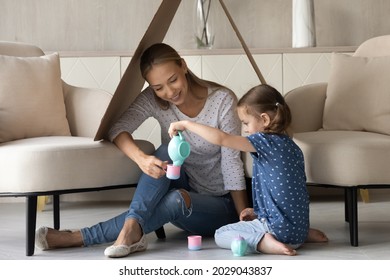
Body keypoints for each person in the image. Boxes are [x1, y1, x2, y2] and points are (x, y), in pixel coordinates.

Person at [35, 43, 249, 258]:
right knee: (165, 151)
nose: (169, 92)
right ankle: (131, 228)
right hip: (183, 184)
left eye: (173, 80)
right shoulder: (154, 99)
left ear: (183, 66)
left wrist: (243, 219)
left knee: (176, 199)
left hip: (219, 205)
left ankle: (80, 237)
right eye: (158, 87)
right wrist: (142, 159)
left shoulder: (222, 100)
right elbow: (118, 128)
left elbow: (232, 163)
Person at [168, 84, 327, 256]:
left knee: (221, 234)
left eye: (246, 123)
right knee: (278, 220)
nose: (245, 129)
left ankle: (263, 242)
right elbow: (286, 194)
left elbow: (222, 138)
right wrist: (258, 212)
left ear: (265, 120)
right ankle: (302, 234)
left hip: (277, 231)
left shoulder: (264, 142)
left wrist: (186, 124)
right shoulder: (292, 146)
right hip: (297, 230)